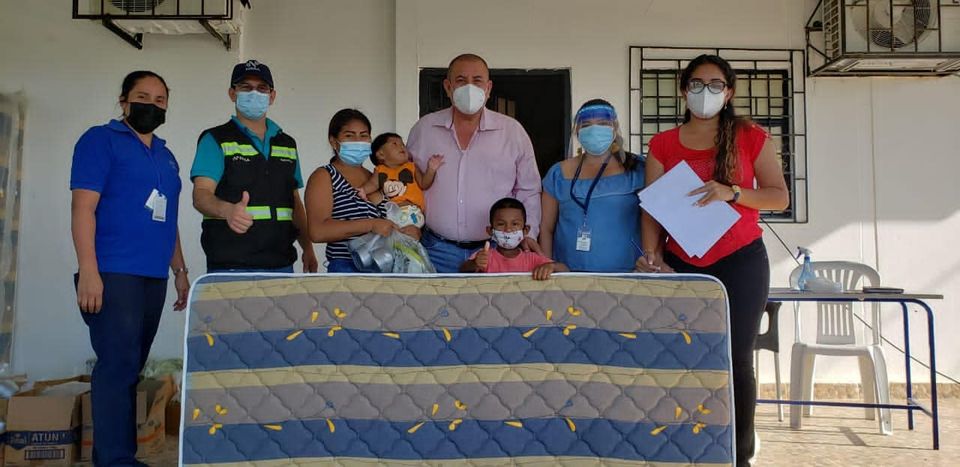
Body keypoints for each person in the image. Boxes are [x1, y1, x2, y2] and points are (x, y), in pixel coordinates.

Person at [635, 54, 789, 467]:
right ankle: (687, 450)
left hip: (741, 260)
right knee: (684, 358)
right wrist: (652, 255)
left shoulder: (751, 136)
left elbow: (778, 196)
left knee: (737, 358)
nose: (706, 92)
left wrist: (733, 192)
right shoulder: (663, 144)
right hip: (683, 262)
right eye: (697, 84)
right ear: (683, 91)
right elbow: (651, 209)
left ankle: (739, 455)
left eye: (716, 85)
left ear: (729, 92)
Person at [70, 70, 189, 467]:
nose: (151, 105)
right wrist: (89, 270)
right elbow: (83, 209)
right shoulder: (99, 140)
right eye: (142, 96)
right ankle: (115, 460)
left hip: (153, 275)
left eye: (160, 100)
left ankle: (119, 456)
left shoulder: (166, 155)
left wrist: (180, 271)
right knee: (117, 367)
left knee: (131, 368)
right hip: (113, 272)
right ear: (123, 101)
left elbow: (168, 219)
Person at [407, 53, 542, 272]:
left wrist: (529, 233)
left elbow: (528, 190)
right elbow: (406, 181)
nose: (469, 87)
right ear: (448, 87)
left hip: (497, 253)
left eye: (477, 81)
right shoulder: (424, 130)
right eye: (461, 80)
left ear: (488, 88)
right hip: (435, 250)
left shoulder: (512, 132)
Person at [190, 60, 318, 273]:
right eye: (246, 87)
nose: (254, 93)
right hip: (232, 266)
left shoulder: (287, 143)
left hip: (282, 264)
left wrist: (307, 247)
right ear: (232, 94)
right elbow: (201, 195)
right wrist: (227, 210)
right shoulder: (215, 139)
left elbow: (294, 202)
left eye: (262, 88)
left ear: (272, 96)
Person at [539, 99, 645, 272]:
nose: (594, 130)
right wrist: (547, 264)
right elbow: (546, 228)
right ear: (577, 131)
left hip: (628, 273)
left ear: (614, 128)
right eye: (586, 125)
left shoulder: (636, 168)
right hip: (569, 274)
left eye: (603, 123)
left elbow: (653, 221)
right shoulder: (558, 173)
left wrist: (651, 257)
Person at [305, 109, 413, 273]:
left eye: (364, 135)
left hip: (384, 266)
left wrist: (407, 229)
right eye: (349, 135)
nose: (358, 141)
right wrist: (370, 225)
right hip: (347, 267)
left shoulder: (375, 178)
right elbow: (318, 231)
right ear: (334, 141)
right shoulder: (325, 176)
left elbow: (391, 219)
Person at [460, 197, 567, 280]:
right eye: (501, 224)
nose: (508, 229)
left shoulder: (532, 259)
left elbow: (565, 270)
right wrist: (475, 264)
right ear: (490, 231)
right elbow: (462, 269)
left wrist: (551, 267)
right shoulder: (485, 256)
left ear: (525, 230)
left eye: (515, 224)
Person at [360, 132, 444, 228]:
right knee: (391, 233)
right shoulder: (380, 170)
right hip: (391, 213)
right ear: (381, 154)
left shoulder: (411, 166)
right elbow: (373, 184)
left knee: (409, 233)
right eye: (395, 144)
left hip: (413, 212)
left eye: (403, 144)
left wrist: (431, 169)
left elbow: (424, 184)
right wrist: (363, 190)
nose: (401, 147)